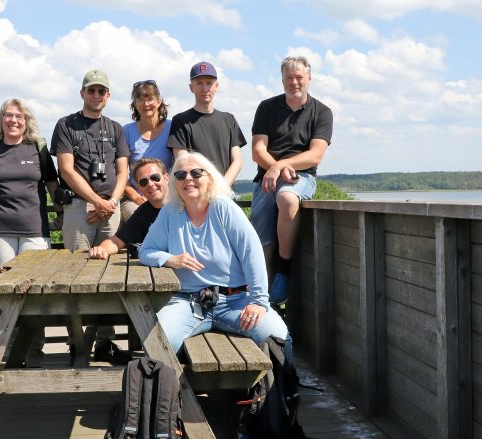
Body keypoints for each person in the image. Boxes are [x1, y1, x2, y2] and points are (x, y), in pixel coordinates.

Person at [139, 151, 293, 361]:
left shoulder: (224, 207)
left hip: (235, 301)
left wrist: (258, 301)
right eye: (181, 175)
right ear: (174, 182)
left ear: (210, 178)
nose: (188, 179)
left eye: (196, 173)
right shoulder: (170, 212)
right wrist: (168, 259)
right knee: (158, 344)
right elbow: (146, 251)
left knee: (278, 336)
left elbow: (252, 253)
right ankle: (173, 393)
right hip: (188, 303)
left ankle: (284, 391)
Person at [50, 69, 131, 364]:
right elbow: (66, 170)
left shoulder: (116, 129)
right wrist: (97, 201)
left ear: (108, 96)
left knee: (108, 275)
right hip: (79, 209)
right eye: (91, 90)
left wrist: (111, 202)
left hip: (109, 209)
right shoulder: (66, 125)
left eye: (101, 91)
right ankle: (77, 342)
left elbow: (123, 171)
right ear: (82, 93)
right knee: (76, 275)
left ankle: (105, 341)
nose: (96, 95)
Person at [0, 98, 60, 367]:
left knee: (32, 293)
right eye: (9, 116)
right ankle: (6, 348)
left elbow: (51, 183)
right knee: (5, 291)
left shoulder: (37, 149)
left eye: (19, 116)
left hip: (34, 231)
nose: (14, 120)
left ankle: (34, 349)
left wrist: (60, 212)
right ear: (1, 120)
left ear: (27, 121)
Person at [250, 56, 333, 305]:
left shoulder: (322, 112)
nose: (294, 82)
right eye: (289, 78)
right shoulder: (267, 107)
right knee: (261, 240)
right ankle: (263, 299)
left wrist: (281, 166)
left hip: (302, 175)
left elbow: (315, 154)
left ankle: (285, 271)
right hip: (266, 177)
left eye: (299, 77)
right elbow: (257, 150)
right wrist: (274, 168)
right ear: (282, 80)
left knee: (287, 198)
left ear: (309, 78)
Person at [167, 61, 247, 187]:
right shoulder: (180, 120)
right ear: (191, 87)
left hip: (225, 191)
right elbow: (182, 161)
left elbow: (237, 161)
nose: (204, 88)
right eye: (199, 83)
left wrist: (222, 187)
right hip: (195, 192)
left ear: (216, 86)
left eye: (209, 83)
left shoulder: (229, 119)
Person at [88, 157, 170, 260]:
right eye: (144, 182)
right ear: (139, 188)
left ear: (166, 178)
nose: (150, 184)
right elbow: (116, 241)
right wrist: (101, 249)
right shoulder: (144, 212)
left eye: (155, 177)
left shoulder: (185, 205)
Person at [120, 80, 172, 222]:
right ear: (134, 104)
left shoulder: (172, 128)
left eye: (150, 98)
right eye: (140, 99)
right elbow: (120, 172)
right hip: (135, 198)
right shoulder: (126, 132)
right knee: (142, 218)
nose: (145, 104)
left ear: (159, 101)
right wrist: (134, 195)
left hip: (168, 196)